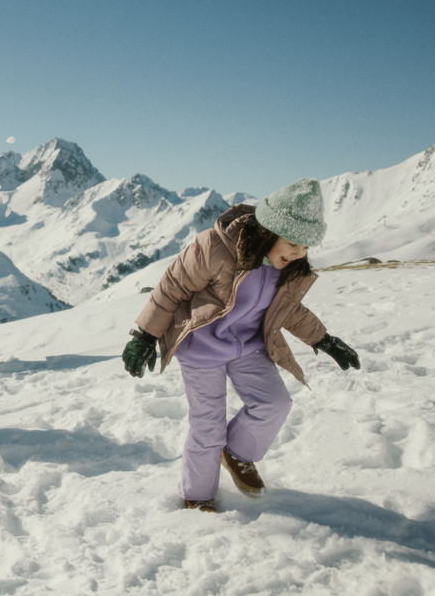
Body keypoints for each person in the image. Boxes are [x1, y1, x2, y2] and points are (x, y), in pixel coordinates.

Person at [122, 178, 360, 512]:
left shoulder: (286, 268)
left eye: (306, 247)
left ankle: (237, 453)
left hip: (248, 345)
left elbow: (289, 310)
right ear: (269, 231)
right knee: (208, 426)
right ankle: (198, 495)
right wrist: (145, 335)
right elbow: (172, 287)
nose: (298, 253)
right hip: (201, 347)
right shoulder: (216, 247)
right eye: (292, 242)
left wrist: (325, 340)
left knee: (275, 403)